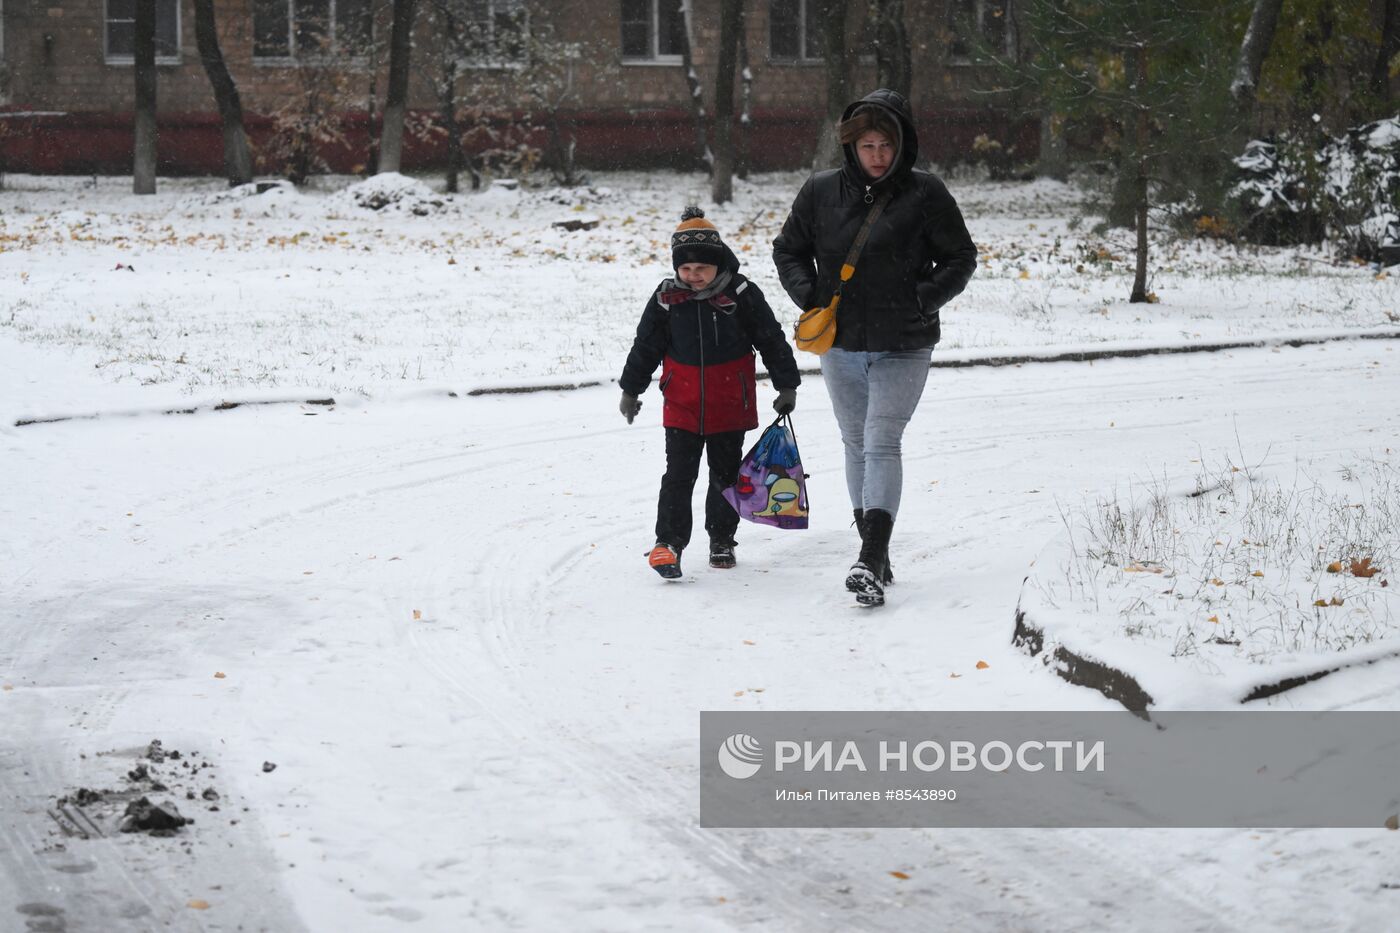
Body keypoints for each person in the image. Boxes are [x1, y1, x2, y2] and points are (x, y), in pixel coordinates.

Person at [772, 89, 977, 606]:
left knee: (881, 440)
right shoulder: (819, 192)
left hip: (904, 342)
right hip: (840, 342)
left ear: (902, 144)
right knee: (855, 443)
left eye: (886, 144)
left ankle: (868, 557)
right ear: (852, 146)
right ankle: (876, 553)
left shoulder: (927, 193)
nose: (878, 156)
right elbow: (788, 250)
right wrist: (810, 294)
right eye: (867, 145)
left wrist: (924, 298)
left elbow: (961, 257)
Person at [620, 207, 802, 579]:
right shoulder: (667, 298)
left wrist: (787, 384)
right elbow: (646, 346)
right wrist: (630, 389)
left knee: (725, 475)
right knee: (678, 474)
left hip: (729, 403)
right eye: (685, 269)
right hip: (682, 403)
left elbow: (771, 338)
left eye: (701, 268)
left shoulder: (742, 294)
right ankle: (668, 544)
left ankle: (721, 539)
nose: (693, 275)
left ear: (718, 264)